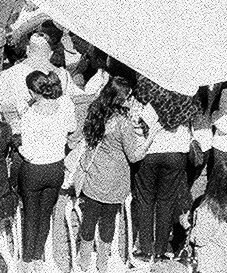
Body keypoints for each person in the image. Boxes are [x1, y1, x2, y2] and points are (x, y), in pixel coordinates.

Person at [76, 77, 152, 273]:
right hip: (114, 180)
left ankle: (84, 262)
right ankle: (102, 263)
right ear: (122, 98)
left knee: (88, 220)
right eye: (129, 96)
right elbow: (134, 156)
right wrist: (150, 136)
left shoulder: (95, 110)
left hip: (93, 175)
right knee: (108, 222)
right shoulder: (123, 123)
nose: (131, 100)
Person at [131, 78, 197, 263]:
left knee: (145, 200)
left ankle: (145, 250)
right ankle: (160, 251)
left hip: (149, 151)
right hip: (177, 151)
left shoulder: (146, 85)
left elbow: (136, 122)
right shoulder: (186, 87)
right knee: (166, 201)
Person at [15, 70, 75, 271]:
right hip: (56, 169)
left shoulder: (30, 115)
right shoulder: (63, 108)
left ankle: (26, 260)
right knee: (45, 214)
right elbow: (71, 127)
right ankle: (38, 258)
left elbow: (28, 152)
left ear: (32, 92)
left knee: (31, 216)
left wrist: (18, 147)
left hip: (34, 170)